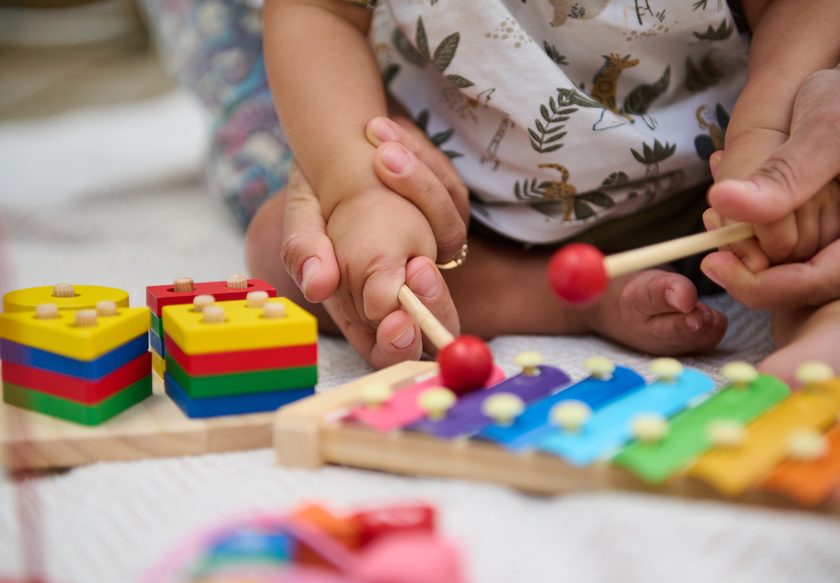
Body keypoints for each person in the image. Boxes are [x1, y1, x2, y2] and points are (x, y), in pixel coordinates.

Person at [244, 0, 840, 385]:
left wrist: (767, 130)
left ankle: (823, 337)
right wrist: (357, 186)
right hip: (472, 208)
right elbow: (317, 10)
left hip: (723, 172)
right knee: (290, 250)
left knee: (812, 210)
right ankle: (575, 300)